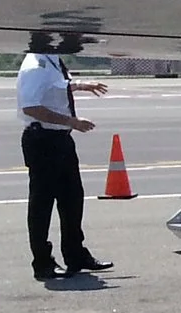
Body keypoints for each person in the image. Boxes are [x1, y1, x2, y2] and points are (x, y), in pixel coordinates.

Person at [16, 42, 111, 282]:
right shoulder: (35, 66)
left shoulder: (52, 60)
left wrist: (78, 85)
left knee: (72, 199)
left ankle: (75, 255)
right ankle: (43, 263)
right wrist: (72, 121)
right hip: (43, 140)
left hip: (60, 139)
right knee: (42, 204)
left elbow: (55, 88)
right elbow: (31, 107)